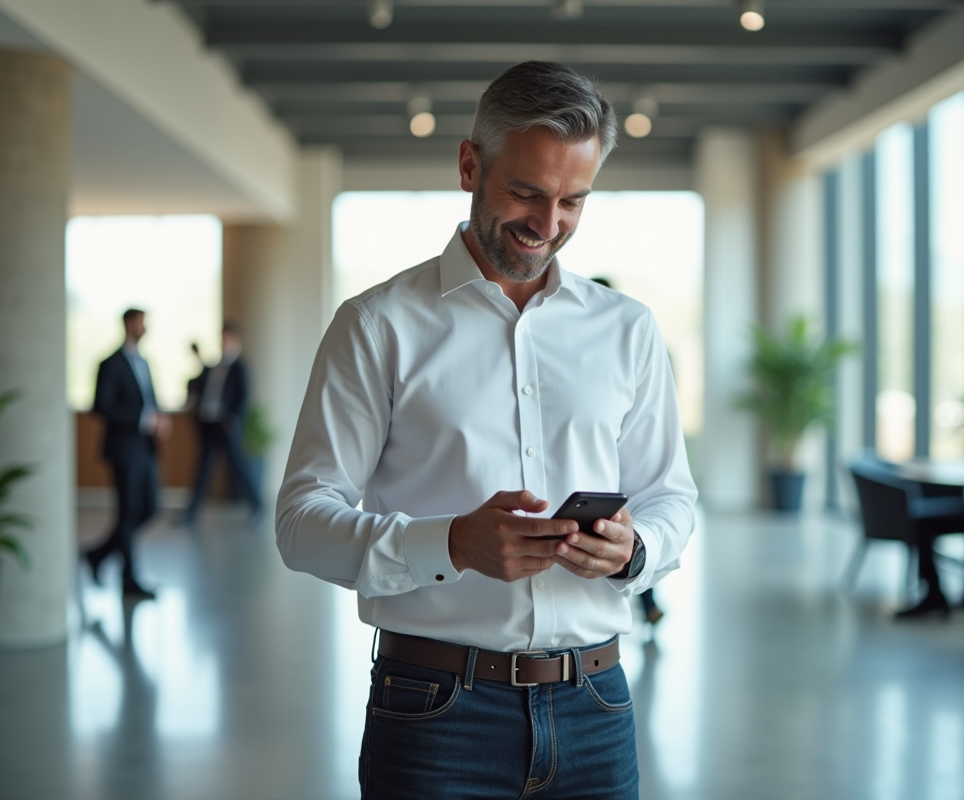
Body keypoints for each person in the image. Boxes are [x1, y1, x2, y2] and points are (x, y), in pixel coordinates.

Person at [276, 61, 697, 799]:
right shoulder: (377, 326)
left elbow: (671, 498)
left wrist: (636, 552)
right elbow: (302, 522)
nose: (548, 224)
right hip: (436, 714)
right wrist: (450, 545)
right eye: (526, 193)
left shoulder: (627, 329)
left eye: (574, 201)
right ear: (470, 165)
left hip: (597, 707)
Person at [590, 276, 666, 628]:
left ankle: (648, 604)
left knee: (627, 543)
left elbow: (667, 493)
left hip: (597, 662)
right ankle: (649, 606)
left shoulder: (635, 333)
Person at [84, 308, 170, 600]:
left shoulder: (145, 362)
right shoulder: (110, 363)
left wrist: (157, 421)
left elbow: (149, 402)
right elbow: (101, 406)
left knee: (148, 508)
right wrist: (143, 419)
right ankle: (128, 578)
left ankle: (97, 555)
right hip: (122, 449)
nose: (145, 328)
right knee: (128, 510)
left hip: (145, 448)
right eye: (141, 322)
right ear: (128, 324)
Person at [179, 322, 263, 527]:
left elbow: (244, 396)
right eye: (221, 338)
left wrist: (233, 419)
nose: (223, 342)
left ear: (235, 340)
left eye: (227, 338)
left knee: (239, 467)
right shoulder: (213, 367)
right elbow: (197, 387)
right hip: (208, 423)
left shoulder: (240, 366)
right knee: (203, 469)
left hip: (227, 425)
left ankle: (258, 506)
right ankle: (191, 512)